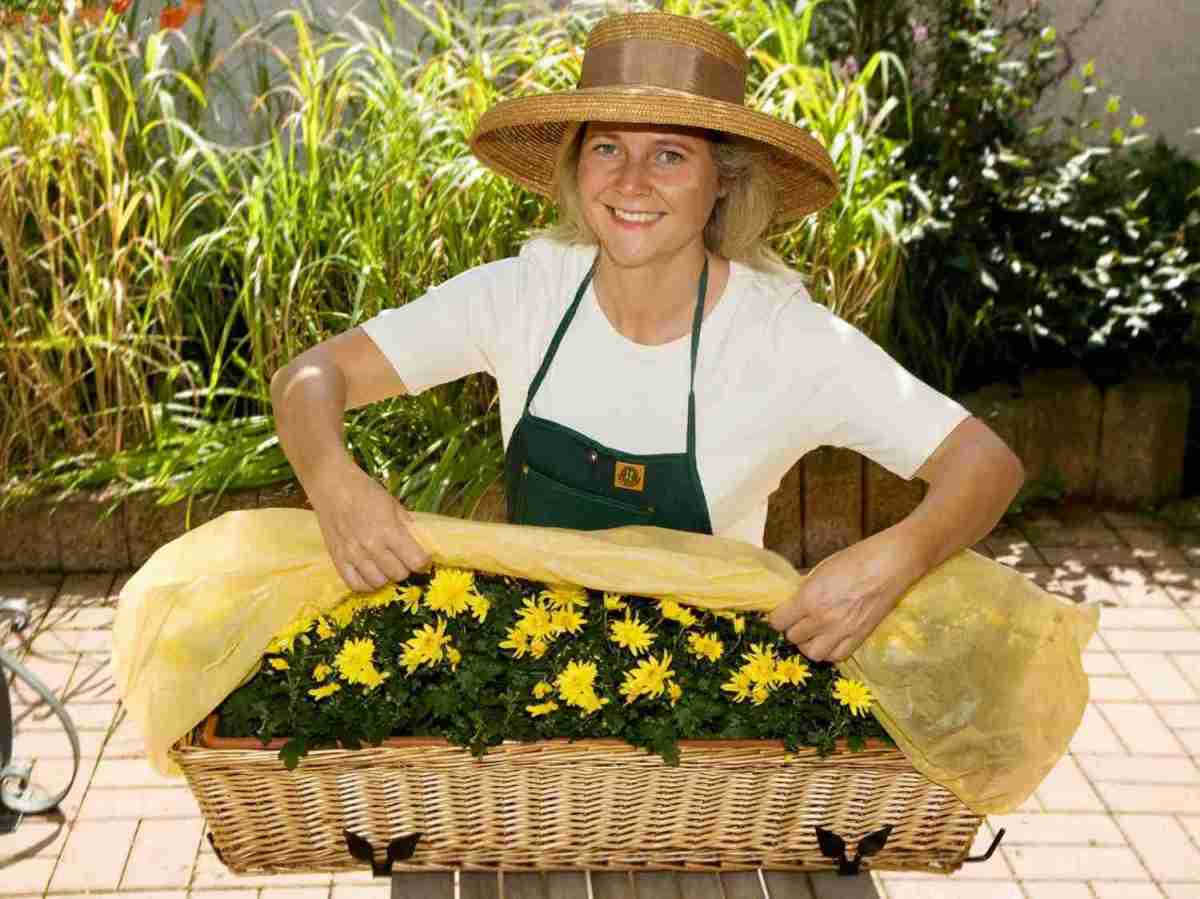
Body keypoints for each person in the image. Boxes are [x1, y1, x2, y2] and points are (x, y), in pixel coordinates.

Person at [269, 11, 1025, 664]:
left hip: (704, 720)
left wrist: (891, 559)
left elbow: (985, 466)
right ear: (575, 166)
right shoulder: (524, 295)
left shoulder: (782, 340)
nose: (631, 182)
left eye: (669, 154)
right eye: (607, 148)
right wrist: (333, 481)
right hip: (529, 677)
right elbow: (309, 377)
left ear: (722, 180)